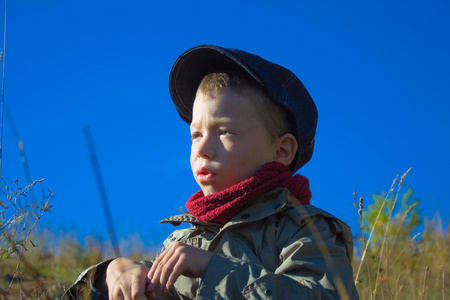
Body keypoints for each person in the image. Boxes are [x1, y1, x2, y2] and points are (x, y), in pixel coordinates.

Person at [62, 45, 359, 299]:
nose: (202, 148)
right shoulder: (182, 242)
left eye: (225, 131)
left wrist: (212, 268)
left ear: (281, 151)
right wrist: (112, 273)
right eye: (195, 134)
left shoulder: (304, 229)